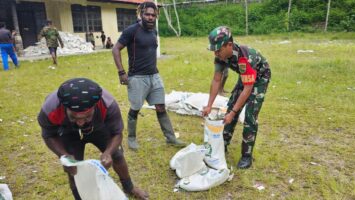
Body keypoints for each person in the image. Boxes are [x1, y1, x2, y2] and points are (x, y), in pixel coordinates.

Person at [37, 78, 149, 200]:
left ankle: (129, 187)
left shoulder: (108, 104)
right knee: (73, 168)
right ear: (65, 108)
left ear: (95, 107)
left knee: (117, 154)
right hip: (68, 132)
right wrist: (63, 155)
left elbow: (117, 133)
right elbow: (48, 135)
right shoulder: (50, 108)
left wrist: (108, 152)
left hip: (98, 128)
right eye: (73, 117)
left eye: (86, 117)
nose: (80, 123)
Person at [112, 1, 186, 151]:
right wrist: (121, 72)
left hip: (154, 76)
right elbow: (116, 49)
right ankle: (131, 138)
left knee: (160, 106)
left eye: (153, 15)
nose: (150, 17)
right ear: (141, 14)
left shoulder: (154, 31)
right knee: (135, 108)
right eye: (147, 14)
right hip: (137, 77)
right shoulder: (132, 31)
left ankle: (171, 138)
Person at [202, 26, 271, 169]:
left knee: (250, 116)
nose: (216, 52)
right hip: (246, 77)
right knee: (230, 108)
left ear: (229, 45)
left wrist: (234, 112)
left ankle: (247, 156)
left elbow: (248, 88)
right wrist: (209, 105)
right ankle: (224, 143)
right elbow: (216, 80)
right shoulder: (220, 56)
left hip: (260, 78)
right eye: (214, 49)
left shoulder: (244, 58)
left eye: (218, 49)